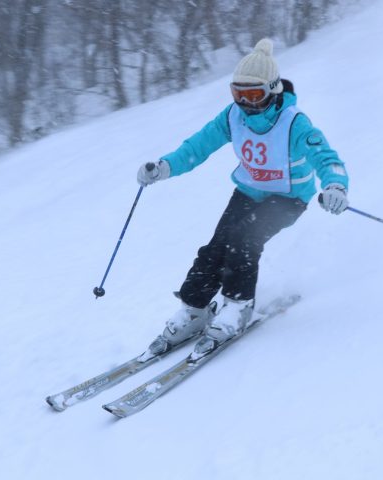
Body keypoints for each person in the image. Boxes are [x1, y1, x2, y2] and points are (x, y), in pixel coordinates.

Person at [137, 38, 349, 356]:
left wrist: (335, 186)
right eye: (239, 94)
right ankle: (194, 309)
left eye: (254, 95)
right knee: (217, 246)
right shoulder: (233, 116)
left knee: (244, 240)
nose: (246, 103)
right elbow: (198, 146)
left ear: (273, 91)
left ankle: (238, 307)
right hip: (248, 192)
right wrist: (165, 167)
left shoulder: (294, 122)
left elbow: (326, 157)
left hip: (288, 198)